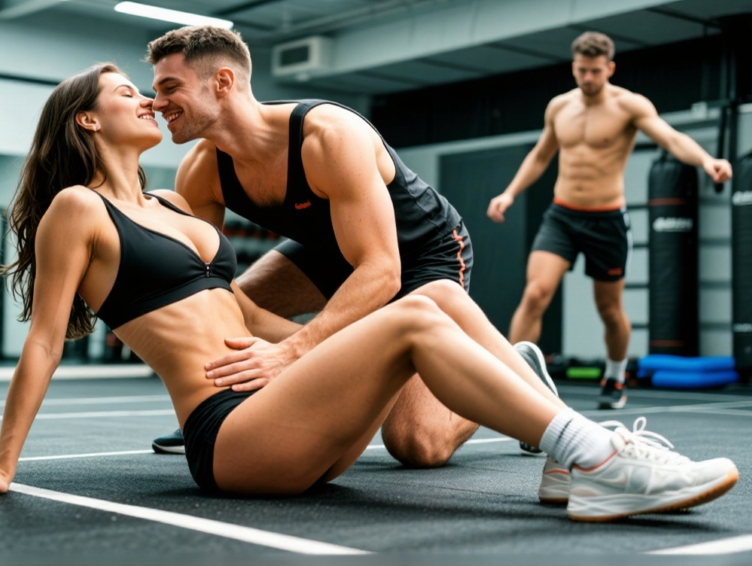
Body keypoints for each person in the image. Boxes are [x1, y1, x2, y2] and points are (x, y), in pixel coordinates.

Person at [0, 64, 739, 522]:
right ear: (88, 122)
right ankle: (596, 460)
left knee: (430, 302)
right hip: (229, 438)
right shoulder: (77, 209)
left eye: (150, 86)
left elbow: (236, 312)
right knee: (412, 316)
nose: (146, 98)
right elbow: (46, 340)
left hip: (276, 414)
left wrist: (306, 347)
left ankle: (571, 453)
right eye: (126, 91)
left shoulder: (172, 207)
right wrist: (1, 466)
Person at [145, 25, 557, 464]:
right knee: (229, 302)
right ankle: (227, 401)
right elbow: (202, 287)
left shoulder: (329, 136)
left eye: (170, 87)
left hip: (419, 256)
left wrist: (293, 351)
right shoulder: (202, 172)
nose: (156, 103)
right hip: (329, 253)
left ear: (223, 82)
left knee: (418, 444)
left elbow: (382, 270)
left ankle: (508, 368)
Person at [487, 32, 733, 409]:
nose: (587, 78)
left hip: (607, 221)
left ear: (610, 68)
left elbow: (670, 138)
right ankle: (517, 383)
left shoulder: (629, 106)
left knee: (609, 309)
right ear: (574, 67)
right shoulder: (559, 107)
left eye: (595, 71)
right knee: (535, 293)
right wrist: (510, 192)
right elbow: (540, 156)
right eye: (582, 70)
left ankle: (615, 376)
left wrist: (706, 160)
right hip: (562, 215)